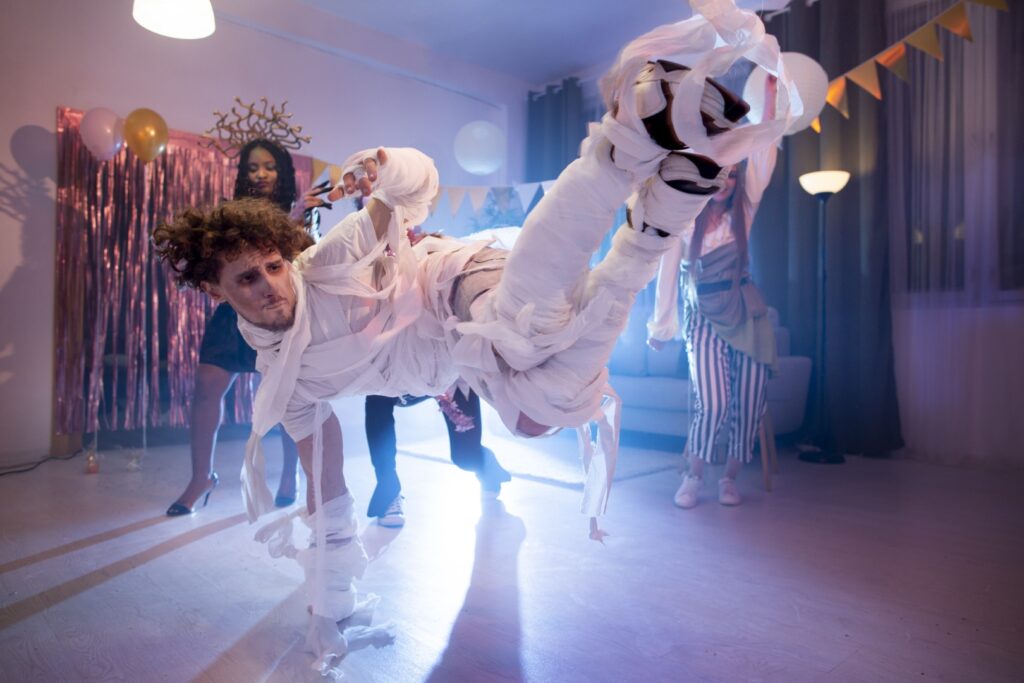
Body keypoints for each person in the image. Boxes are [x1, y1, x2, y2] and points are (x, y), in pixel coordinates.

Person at [152, 1, 799, 673]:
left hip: (454, 282)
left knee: (516, 334)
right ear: (215, 293)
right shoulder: (287, 384)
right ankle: (657, 223)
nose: (269, 287)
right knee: (540, 413)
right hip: (445, 356)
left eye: (273, 267)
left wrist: (382, 164)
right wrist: (328, 601)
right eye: (246, 281)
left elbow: (417, 184)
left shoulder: (331, 261)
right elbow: (324, 482)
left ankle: (626, 144)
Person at [166, 138, 325, 516]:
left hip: (276, 311)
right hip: (233, 312)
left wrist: (305, 215)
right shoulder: (230, 213)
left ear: (282, 171)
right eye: (252, 167)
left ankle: (292, 473)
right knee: (206, 389)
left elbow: (306, 259)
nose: (260, 174)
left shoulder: (303, 207)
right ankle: (201, 478)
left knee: (290, 394)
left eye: (269, 166)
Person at [647, 75, 780, 509]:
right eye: (720, 173)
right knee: (715, 400)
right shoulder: (688, 217)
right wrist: (662, 325)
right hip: (701, 312)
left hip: (745, 308)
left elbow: (763, 157)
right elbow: (668, 272)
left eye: (733, 175)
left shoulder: (746, 206)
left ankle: (729, 477)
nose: (727, 181)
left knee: (750, 398)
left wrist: (770, 105)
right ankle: (694, 473)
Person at [365, 389, 510, 527]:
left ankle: (486, 463)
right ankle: (388, 491)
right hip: (394, 374)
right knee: (376, 396)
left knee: (465, 456)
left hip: (447, 373)